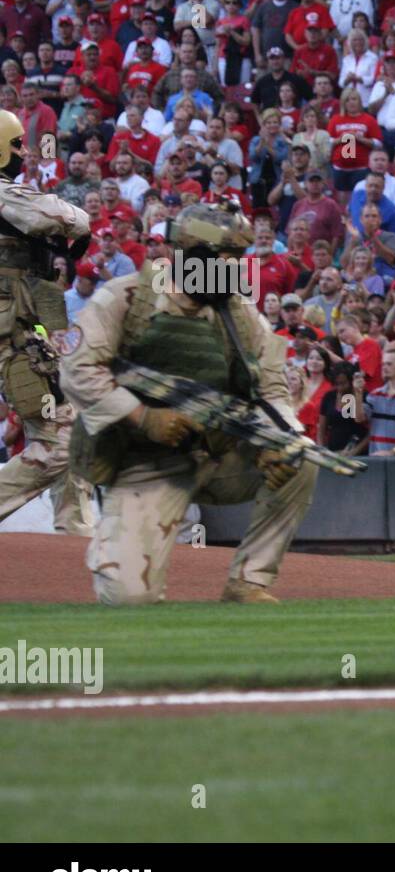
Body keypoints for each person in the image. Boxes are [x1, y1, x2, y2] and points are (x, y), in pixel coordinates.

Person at [60, 203, 319, 605]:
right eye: (230, 260)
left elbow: (271, 388)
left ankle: (248, 582)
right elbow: (77, 370)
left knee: (300, 456)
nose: (238, 270)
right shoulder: (127, 298)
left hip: (218, 454)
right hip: (145, 463)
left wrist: (278, 439)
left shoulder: (239, 311)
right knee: (129, 599)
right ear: (197, 255)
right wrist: (142, 415)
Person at [0, 108, 94, 535]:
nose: (24, 151)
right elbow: (59, 216)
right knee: (59, 443)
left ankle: (73, 540)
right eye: (18, 143)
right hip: (14, 343)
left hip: (33, 337)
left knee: (74, 433)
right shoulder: (4, 194)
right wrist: (77, 224)